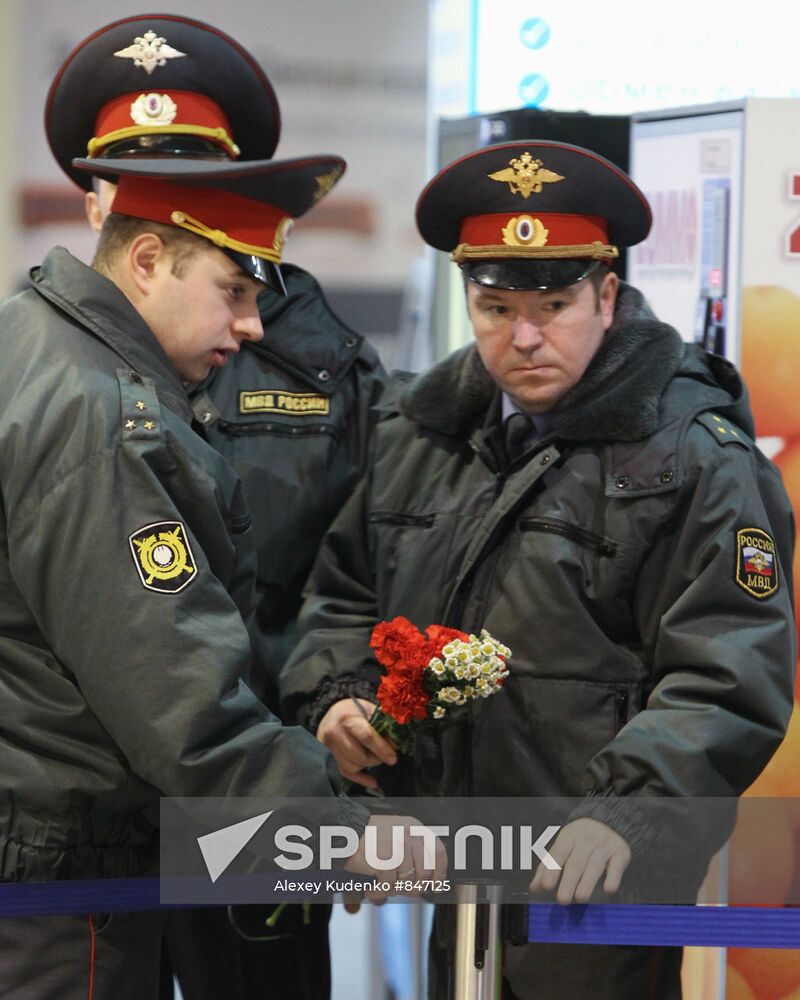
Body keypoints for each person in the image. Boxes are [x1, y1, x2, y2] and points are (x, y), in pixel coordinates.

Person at [280, 141, 797, 999]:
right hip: (446, 870)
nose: (523, 337)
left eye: (554, 304)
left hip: (601, 878)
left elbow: (728, 672)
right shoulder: (421, 434)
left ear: (605, 294)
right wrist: (336, 697)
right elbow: (339, 598)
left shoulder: (696, 458)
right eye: (495, 306)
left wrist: (629, 811)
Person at [0, 152, 438, 1000]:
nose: (254, 328)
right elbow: (167, 679)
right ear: (150, 259)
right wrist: (332, 829)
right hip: (65, 875)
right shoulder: (103, 417)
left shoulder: (30, 335)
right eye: (234, 290)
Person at [45, 16, 387, 999]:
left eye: (196, 179)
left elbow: (358, 569)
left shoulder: (325, 362)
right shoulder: (66, 376)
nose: (165, 203)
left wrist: (329, 706)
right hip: (101, 812)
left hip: (254, 778)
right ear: (103, 203)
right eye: (133, 181)